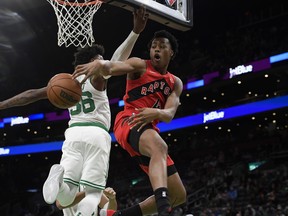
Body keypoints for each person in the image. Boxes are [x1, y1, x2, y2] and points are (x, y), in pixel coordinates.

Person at [0, 7, 148, 216]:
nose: (102, 62)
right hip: (96, 134)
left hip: (73, 136)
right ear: (91, 62)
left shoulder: (66, 83)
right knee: (93, 193)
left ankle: (59, 183)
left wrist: (2, 105)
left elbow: (31, 94)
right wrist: (135, 32)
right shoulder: (97, 76)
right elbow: (118, 60)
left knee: (66, 196)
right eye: (99, 59)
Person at [72, 30, 187, 216]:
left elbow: (169, 114)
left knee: (179, 195)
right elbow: (111, 68)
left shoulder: (175, 82)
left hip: (148, 132)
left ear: (171, 52)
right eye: (153, 46)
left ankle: (120, 215)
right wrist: (100, 63)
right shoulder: (139, 65)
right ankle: (164, 209)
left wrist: (156, 112)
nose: (156, 49)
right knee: (160, 146)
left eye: (162, 46)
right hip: (129, 121)